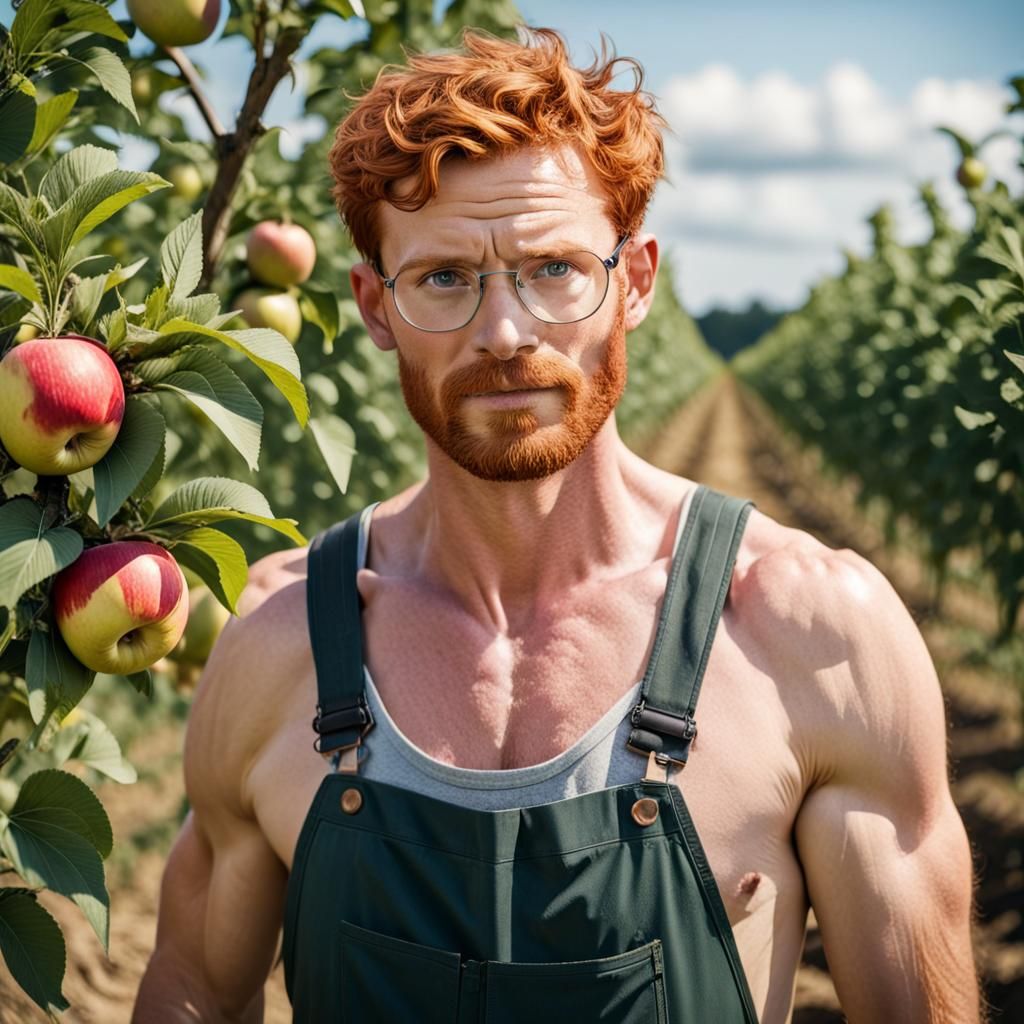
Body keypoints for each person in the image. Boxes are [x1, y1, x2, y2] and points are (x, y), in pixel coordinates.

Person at [133, 27, 981, 1024]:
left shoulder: (811, 635)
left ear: (634, 281)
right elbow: (192, 991)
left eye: (553, 270)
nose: (503, 333)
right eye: (444, 278)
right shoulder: (280, 648)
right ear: (373, 305)